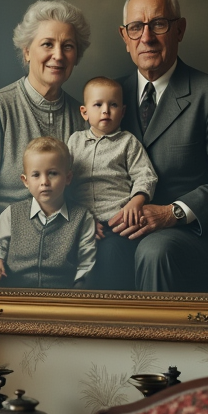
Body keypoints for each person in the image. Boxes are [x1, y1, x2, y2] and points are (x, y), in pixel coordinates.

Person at [109, 0, 208, 292]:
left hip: (189, 237)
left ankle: (153, 341)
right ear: (124, 37)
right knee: (94, 248)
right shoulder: (108, 99)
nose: (146, 37)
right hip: (123, 228)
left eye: (158, 24)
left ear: (179, 29)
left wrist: (171, 213)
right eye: (136, 28)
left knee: (155, 251)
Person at [0, 0, 90, 287]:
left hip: (59, 266)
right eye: (47, 44)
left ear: (76, 57)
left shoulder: (84, 120)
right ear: (27, 52)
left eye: (68, 46)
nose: (58, 55)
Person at [67, 76, 157, 289]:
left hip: (118, 222)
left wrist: (137, 201)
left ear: (123, 111)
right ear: (84, 112)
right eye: (98, 105)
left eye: (113, 105)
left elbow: (145, 175)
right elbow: (64, 182)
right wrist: (79, 218)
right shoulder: (74, 142)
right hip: (83, 220)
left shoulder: (127, 142)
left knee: (111, 257)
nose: (106, 110)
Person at [0, 137, 97, 288]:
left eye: (52, 173)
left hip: (63, 299)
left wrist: (77, 292)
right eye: (36, 175)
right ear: (25, 181)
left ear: (68, 177)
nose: (44, 181)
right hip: (16, 295)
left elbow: (86, 262)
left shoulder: (82, 218)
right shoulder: (12, 214)